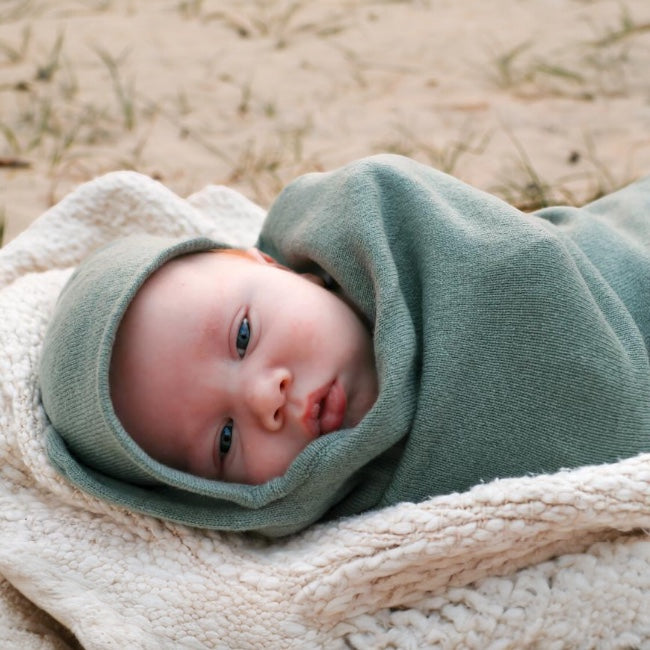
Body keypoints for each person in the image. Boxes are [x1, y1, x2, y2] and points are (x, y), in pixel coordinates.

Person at [39, 154, 650, 537]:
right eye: (225, 440)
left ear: (272, 265)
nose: (265, 397)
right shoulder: (355, 531)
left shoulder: (394, 230)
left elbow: (527, 273)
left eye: (244, 336)